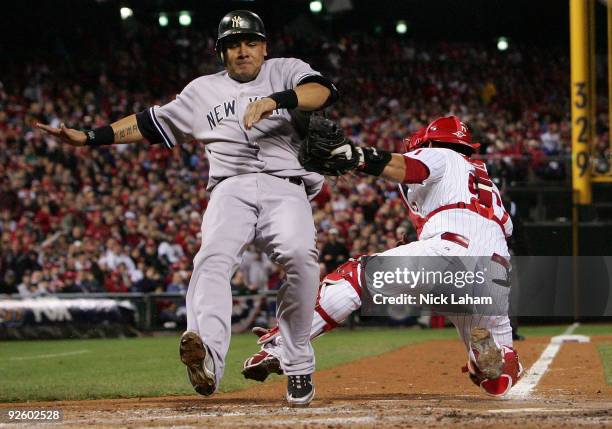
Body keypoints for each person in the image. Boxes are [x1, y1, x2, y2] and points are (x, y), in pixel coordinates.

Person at [36, 9, 337, 407]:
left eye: (249, 42)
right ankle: (208, 359)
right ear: (220, 53)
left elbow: (322, 91)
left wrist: (275, 101)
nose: (242, 51)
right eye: (232, 45)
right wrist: (90, 137)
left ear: (263, 47)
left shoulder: (286, 69)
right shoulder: (201, 91)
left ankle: (298, 361)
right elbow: (148, 123)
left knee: (301, 259)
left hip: (287, 183)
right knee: (211, 259)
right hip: (231, 187)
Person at [242, 116, 524, 397]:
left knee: (354, 277)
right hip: (494, 273)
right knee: (494, 381)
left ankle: (280, 347)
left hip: (451, 252)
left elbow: (407, 167)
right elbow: (500, 228)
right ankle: (499, 360)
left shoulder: (441, 154)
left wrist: (356, 156)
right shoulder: (485, 180)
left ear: (432, 141)